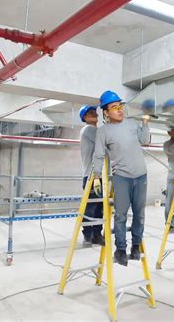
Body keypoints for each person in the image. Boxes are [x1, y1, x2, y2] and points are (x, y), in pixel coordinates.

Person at [93, 90, 151, 266]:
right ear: (105, 112)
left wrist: (145, 122)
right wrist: (96, 176)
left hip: (141, 176)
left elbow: (145, 140)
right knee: (120, 215)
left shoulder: (132, 123)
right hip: (122, 178)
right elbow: (98, 155)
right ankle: (120, 250)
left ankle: (135, 247)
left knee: (140, 214)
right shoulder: (103, 131)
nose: (119, 110)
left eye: (120, 106)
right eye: (114, 107)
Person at [78, 105, 105, 247]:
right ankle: (87, 236)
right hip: (91, 176)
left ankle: (97, 235)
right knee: (91, 207)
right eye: (89, 113)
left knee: (100, 207)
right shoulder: (89, 130)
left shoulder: (97, 131)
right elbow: (106, 143)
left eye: (94, 112)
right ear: (84, 118)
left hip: (99, 175)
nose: (94, 114)